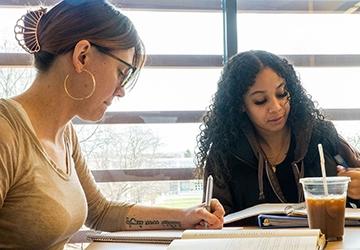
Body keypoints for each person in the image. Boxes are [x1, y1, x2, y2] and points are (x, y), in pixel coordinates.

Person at [0, 0, 224, 248]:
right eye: (121, 72)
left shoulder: (65, 134)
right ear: (82, 56)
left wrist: (184, 217)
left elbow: (101, 211)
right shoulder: (6, 133)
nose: (121, 91)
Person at [195, 50, 360, 216]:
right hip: (255, 243)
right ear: (240, 105)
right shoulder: (224, 153)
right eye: (260, 100)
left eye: (282, 94)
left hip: (328, 240)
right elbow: (217, 220)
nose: (276, 107)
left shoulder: (323, 135)